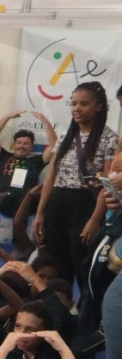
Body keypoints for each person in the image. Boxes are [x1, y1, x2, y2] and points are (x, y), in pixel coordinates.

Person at [34, 81, 118, 291]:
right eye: (73, 104)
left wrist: (94, 219)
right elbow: (52, 176)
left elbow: (106, 184)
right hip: (57, 203)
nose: (76, 109)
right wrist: (40, 213)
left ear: (98, 106)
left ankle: (83, 316)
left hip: (85, 206)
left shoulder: (110, 139)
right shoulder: (65, 137)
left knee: (81, 263)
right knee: (55, 263)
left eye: (83, 103)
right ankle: (56, 309)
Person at [0, 110, 55, 227]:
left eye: (26, 144)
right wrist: (7, 117)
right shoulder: (3, 156)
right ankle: (21, 238)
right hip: (6, 201)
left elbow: (54, 145)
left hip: (27, 203)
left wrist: (45, 121)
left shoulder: (37, 161)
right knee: (11, 196)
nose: (22, 146)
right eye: (19, 143)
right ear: (14, 145)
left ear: (31, 147)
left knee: (47, 198)